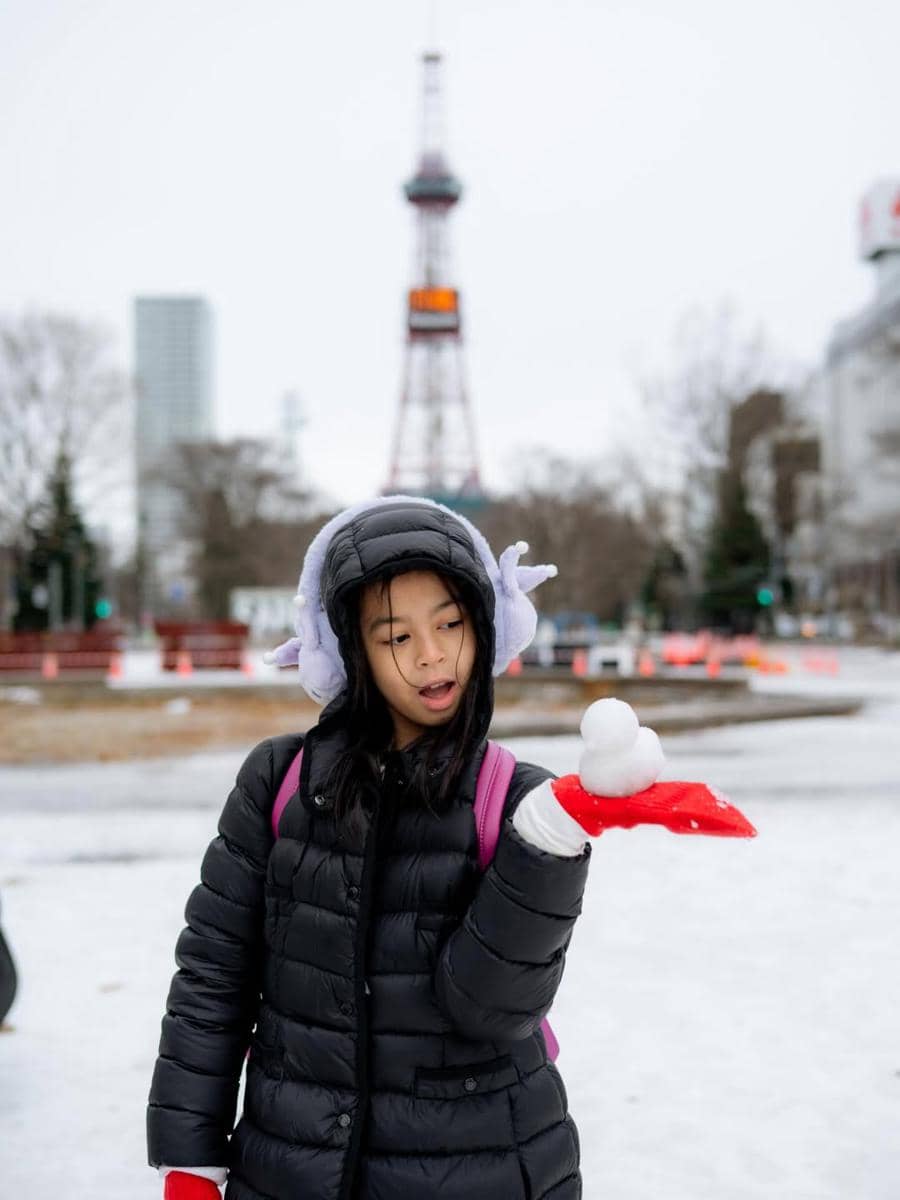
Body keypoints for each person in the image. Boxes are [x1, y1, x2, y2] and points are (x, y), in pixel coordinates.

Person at [147, 495, 752, 1200]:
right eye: (396, 637)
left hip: (485, 1166)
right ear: (353, 651)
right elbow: (213, 976)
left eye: (451, 623)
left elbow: (492, 1008)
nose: (431, 654)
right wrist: (189, 1158)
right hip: (289, 1167)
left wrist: (546, 843)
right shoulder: (280, 782)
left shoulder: (516, 798)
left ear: (485, 626)